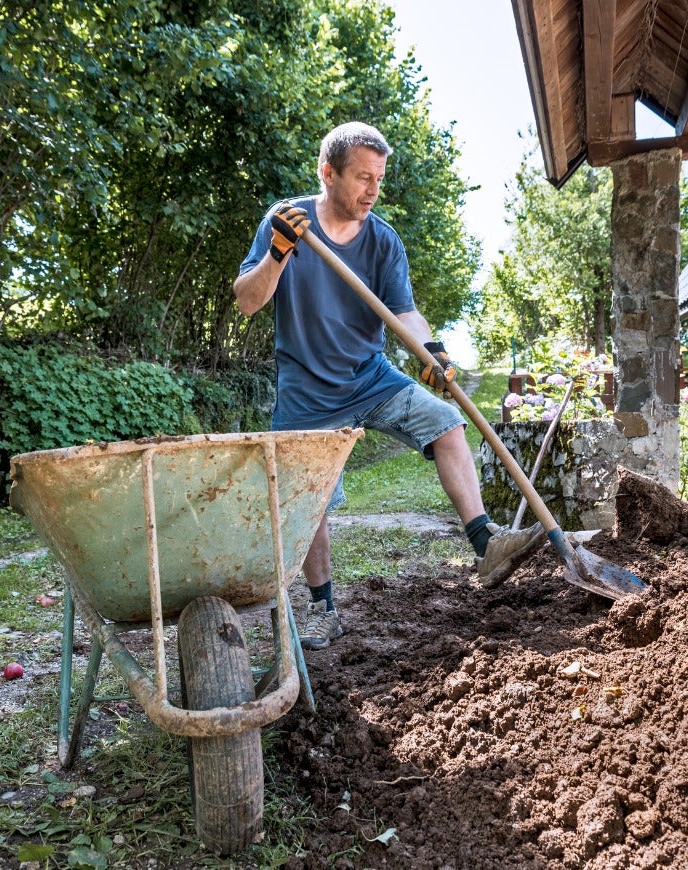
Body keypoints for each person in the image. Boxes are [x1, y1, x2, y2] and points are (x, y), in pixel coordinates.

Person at [233, 121, 545, 650]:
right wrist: (278, 254)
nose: (373, 190)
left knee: (446, 426)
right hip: (307, 394)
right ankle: (321, 609)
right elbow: (247, 299)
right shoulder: (286, 223)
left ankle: (485, 543)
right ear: (327, 173)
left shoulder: (382, 241)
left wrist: (432, 353)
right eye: (362, 177)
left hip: (370, 377)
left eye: (379, 178)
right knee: (313, 504)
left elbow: (404, 314)